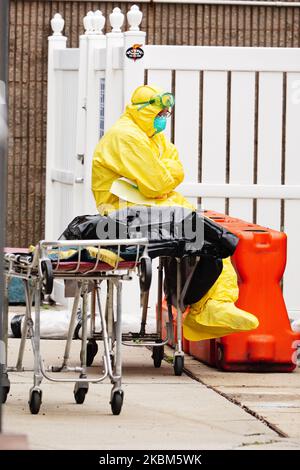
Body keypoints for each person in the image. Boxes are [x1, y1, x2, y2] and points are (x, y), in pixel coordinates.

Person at [92, 85, 258, 341]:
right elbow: (158, 182)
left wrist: (163, 175)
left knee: (211, 240)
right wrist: (165, 175)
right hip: (123, 215)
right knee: (206, 236)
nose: (164, 118)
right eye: (161, 112)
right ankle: (204, 309)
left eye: (166, 114)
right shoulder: (125, 136)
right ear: (147, 111)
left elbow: (171, 170)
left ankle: (213, 305)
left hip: (153, 209)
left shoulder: (150, 137)